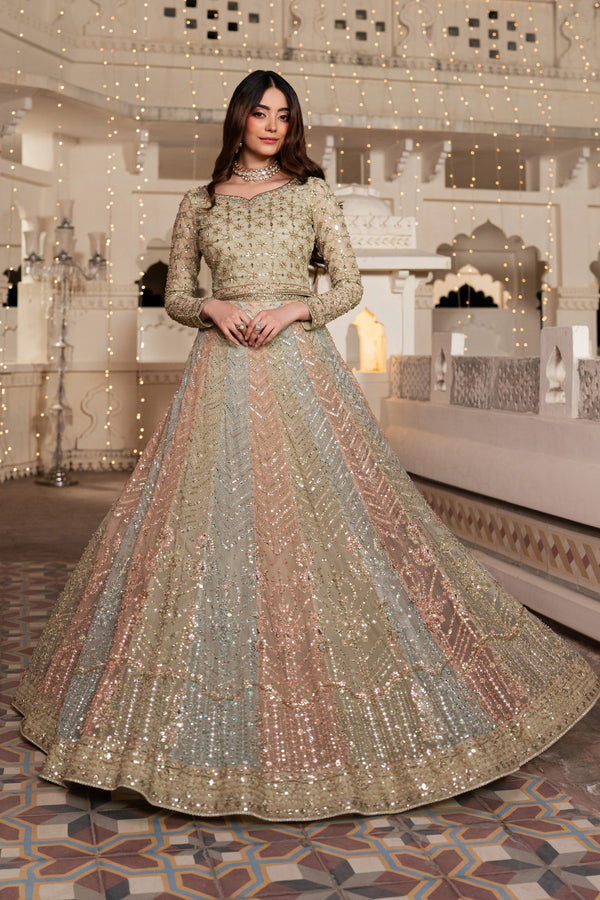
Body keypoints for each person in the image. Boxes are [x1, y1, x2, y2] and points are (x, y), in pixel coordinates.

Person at [14, 71, 599, 823]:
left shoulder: (312, 193)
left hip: (296, 366)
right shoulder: (199, 202)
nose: (270, 124)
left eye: (282, 115)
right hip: (222, 372)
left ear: (293, 125)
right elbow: (177, 295)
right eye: (259, 112)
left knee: (336, 522)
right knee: (205, 527)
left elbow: (348, 284)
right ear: (240, 117)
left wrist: (295, 308)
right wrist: (215, 307)